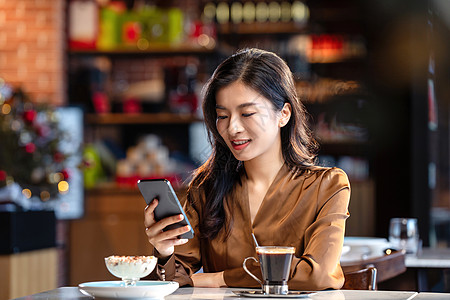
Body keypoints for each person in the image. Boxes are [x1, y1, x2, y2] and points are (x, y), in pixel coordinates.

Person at [144, 48, 350, 290]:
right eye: (222, 116)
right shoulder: (207, 187)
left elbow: (318, 276)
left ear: (283, 114)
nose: (233, 128)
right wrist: (164, 251)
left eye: (247, 113)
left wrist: (220, 278)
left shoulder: (327, 185)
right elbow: (172, 283)